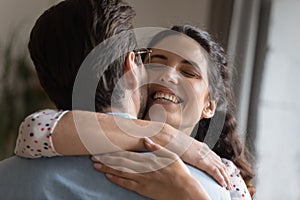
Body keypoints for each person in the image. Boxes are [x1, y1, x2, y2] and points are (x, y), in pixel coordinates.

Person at [0, 0, 230, 199]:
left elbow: (35, 130)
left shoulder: (8, 177)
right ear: (132, 66)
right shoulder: (216, 189)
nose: (166, 76)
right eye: (153, 61)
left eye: (189, 72)